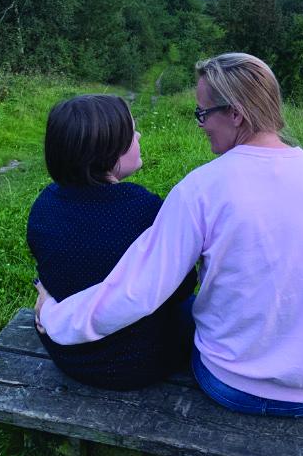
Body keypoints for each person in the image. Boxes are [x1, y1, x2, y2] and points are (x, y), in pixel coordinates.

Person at [35, 54, 303, 416]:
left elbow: (139, 291)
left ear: (236, 114)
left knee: (193, 310)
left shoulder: (200, 189)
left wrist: (55, 316)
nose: (200, 124)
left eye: (203, 113)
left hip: (227, 383)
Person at [27, 94, 196, 390]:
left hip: (70, 355)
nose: (139, 135)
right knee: (197, 308)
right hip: (142, 362)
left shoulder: (44, 205)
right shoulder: (143, 209)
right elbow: (180, 286)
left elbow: (51, 271)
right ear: (108, 152)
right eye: (131, 132)